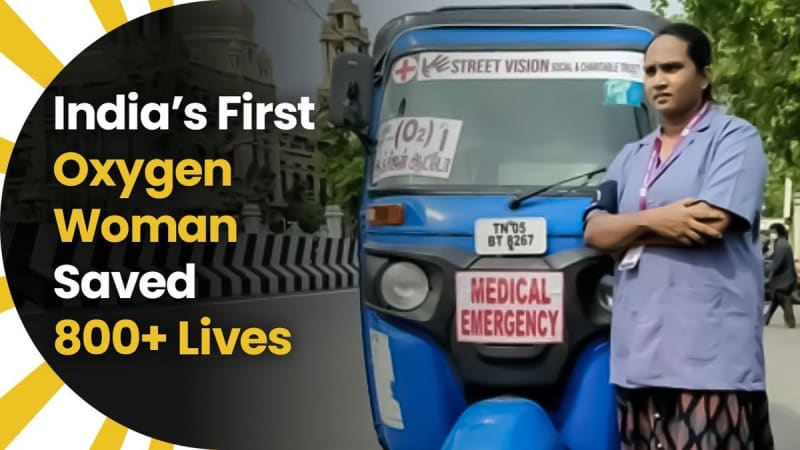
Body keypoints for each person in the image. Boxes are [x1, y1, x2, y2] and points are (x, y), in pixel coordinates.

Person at [583, 23, 774, 449]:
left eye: (672, 68)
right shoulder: (630, 156)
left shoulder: (734, 138)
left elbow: (709, 223)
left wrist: (627, 231)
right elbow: (594, 229)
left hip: (707, 359)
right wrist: (660, 220)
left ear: (704, 76)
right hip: (637, 356)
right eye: (650, 71)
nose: (658, 81)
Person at [764, 223, 797, 327]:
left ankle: (790, 322)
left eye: (772, 232)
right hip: (784, 280)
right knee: (776, 301)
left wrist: (769, 277)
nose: (770, 234)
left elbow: (777, 263)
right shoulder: (783, 243)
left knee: (784, 300)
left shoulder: (781, 245)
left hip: (782, 280)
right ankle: (765, 320)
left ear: (777, 232)